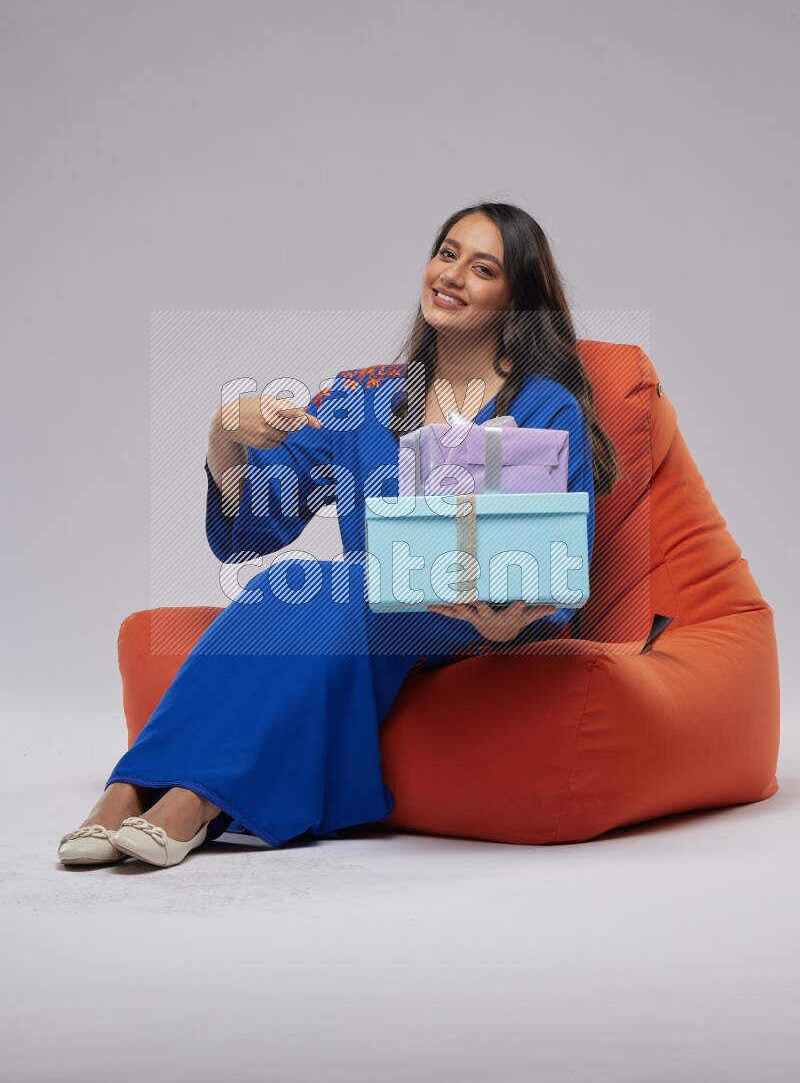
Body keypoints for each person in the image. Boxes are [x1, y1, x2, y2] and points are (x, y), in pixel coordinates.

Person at [57, 202, 620, 869]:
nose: (453, 275)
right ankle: (128, 788)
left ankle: (197, 802)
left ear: (515, 296)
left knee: (339, 577)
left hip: (482, 621)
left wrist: (507, 625)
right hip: (368, 612)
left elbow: (560, 561)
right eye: (446, 253)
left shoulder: (544, 404)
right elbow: (254, 520)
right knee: (286, 580)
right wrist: (222, 435)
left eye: (483, 267)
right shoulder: (370, 400)